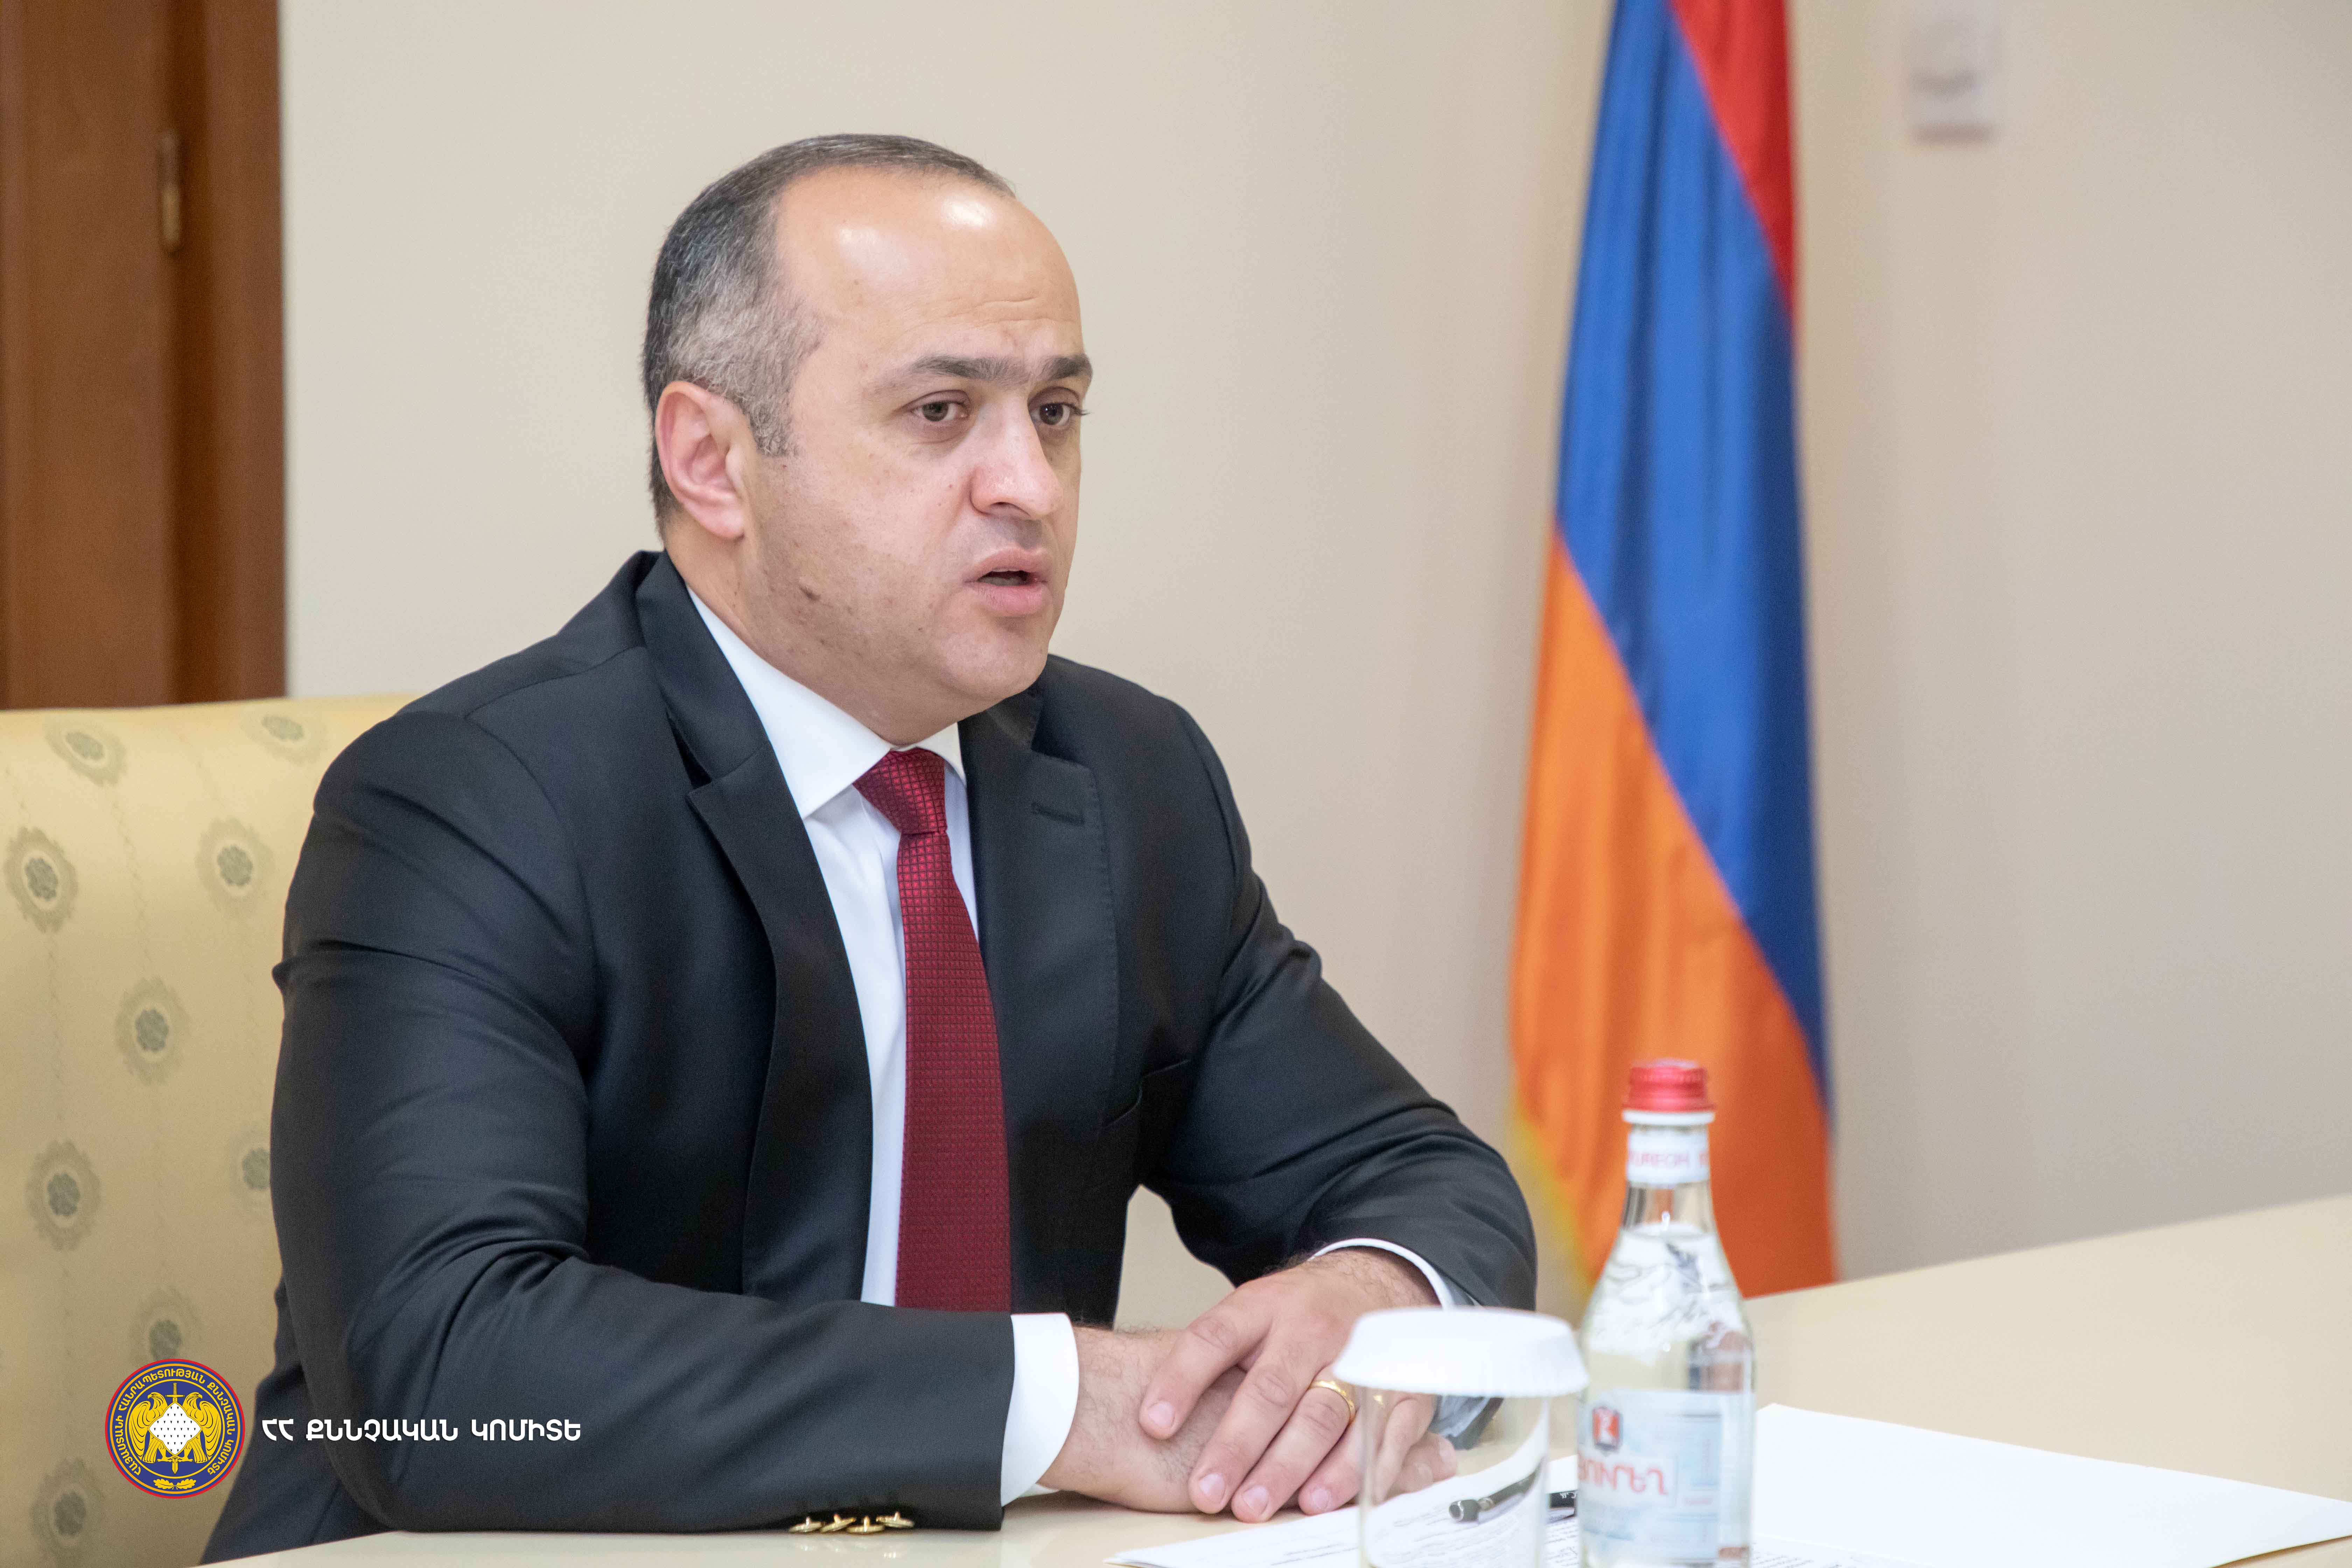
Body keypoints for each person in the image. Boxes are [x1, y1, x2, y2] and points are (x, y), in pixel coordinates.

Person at [204, 134, 1532, 1562]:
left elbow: (1421, 1175)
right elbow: (441, 1368)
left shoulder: (1129, 779)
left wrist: (1376, 1298)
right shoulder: (471, 800)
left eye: (1057, 411)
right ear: (712, 462)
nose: (1029, 484)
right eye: (941, 412)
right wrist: (1059, 1401)